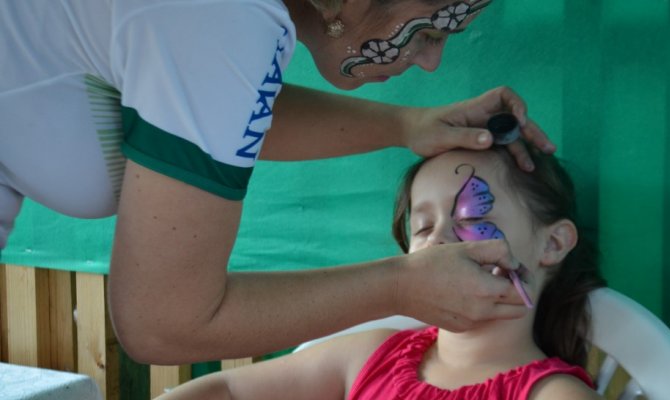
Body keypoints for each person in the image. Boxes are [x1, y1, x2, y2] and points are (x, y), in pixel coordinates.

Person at [0, 0, 558, 364]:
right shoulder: (228, 18)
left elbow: (213, 112)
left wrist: (407, 126)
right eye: (430, 30)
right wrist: (402, 286)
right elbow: (164, 324)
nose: (431, 61)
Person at [157, 146, 607, 399]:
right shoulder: (369, 356)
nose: (438, 243)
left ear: (553, 243)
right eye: (423, 227)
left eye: (469, 221)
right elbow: (227, 392)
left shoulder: (553, 396)